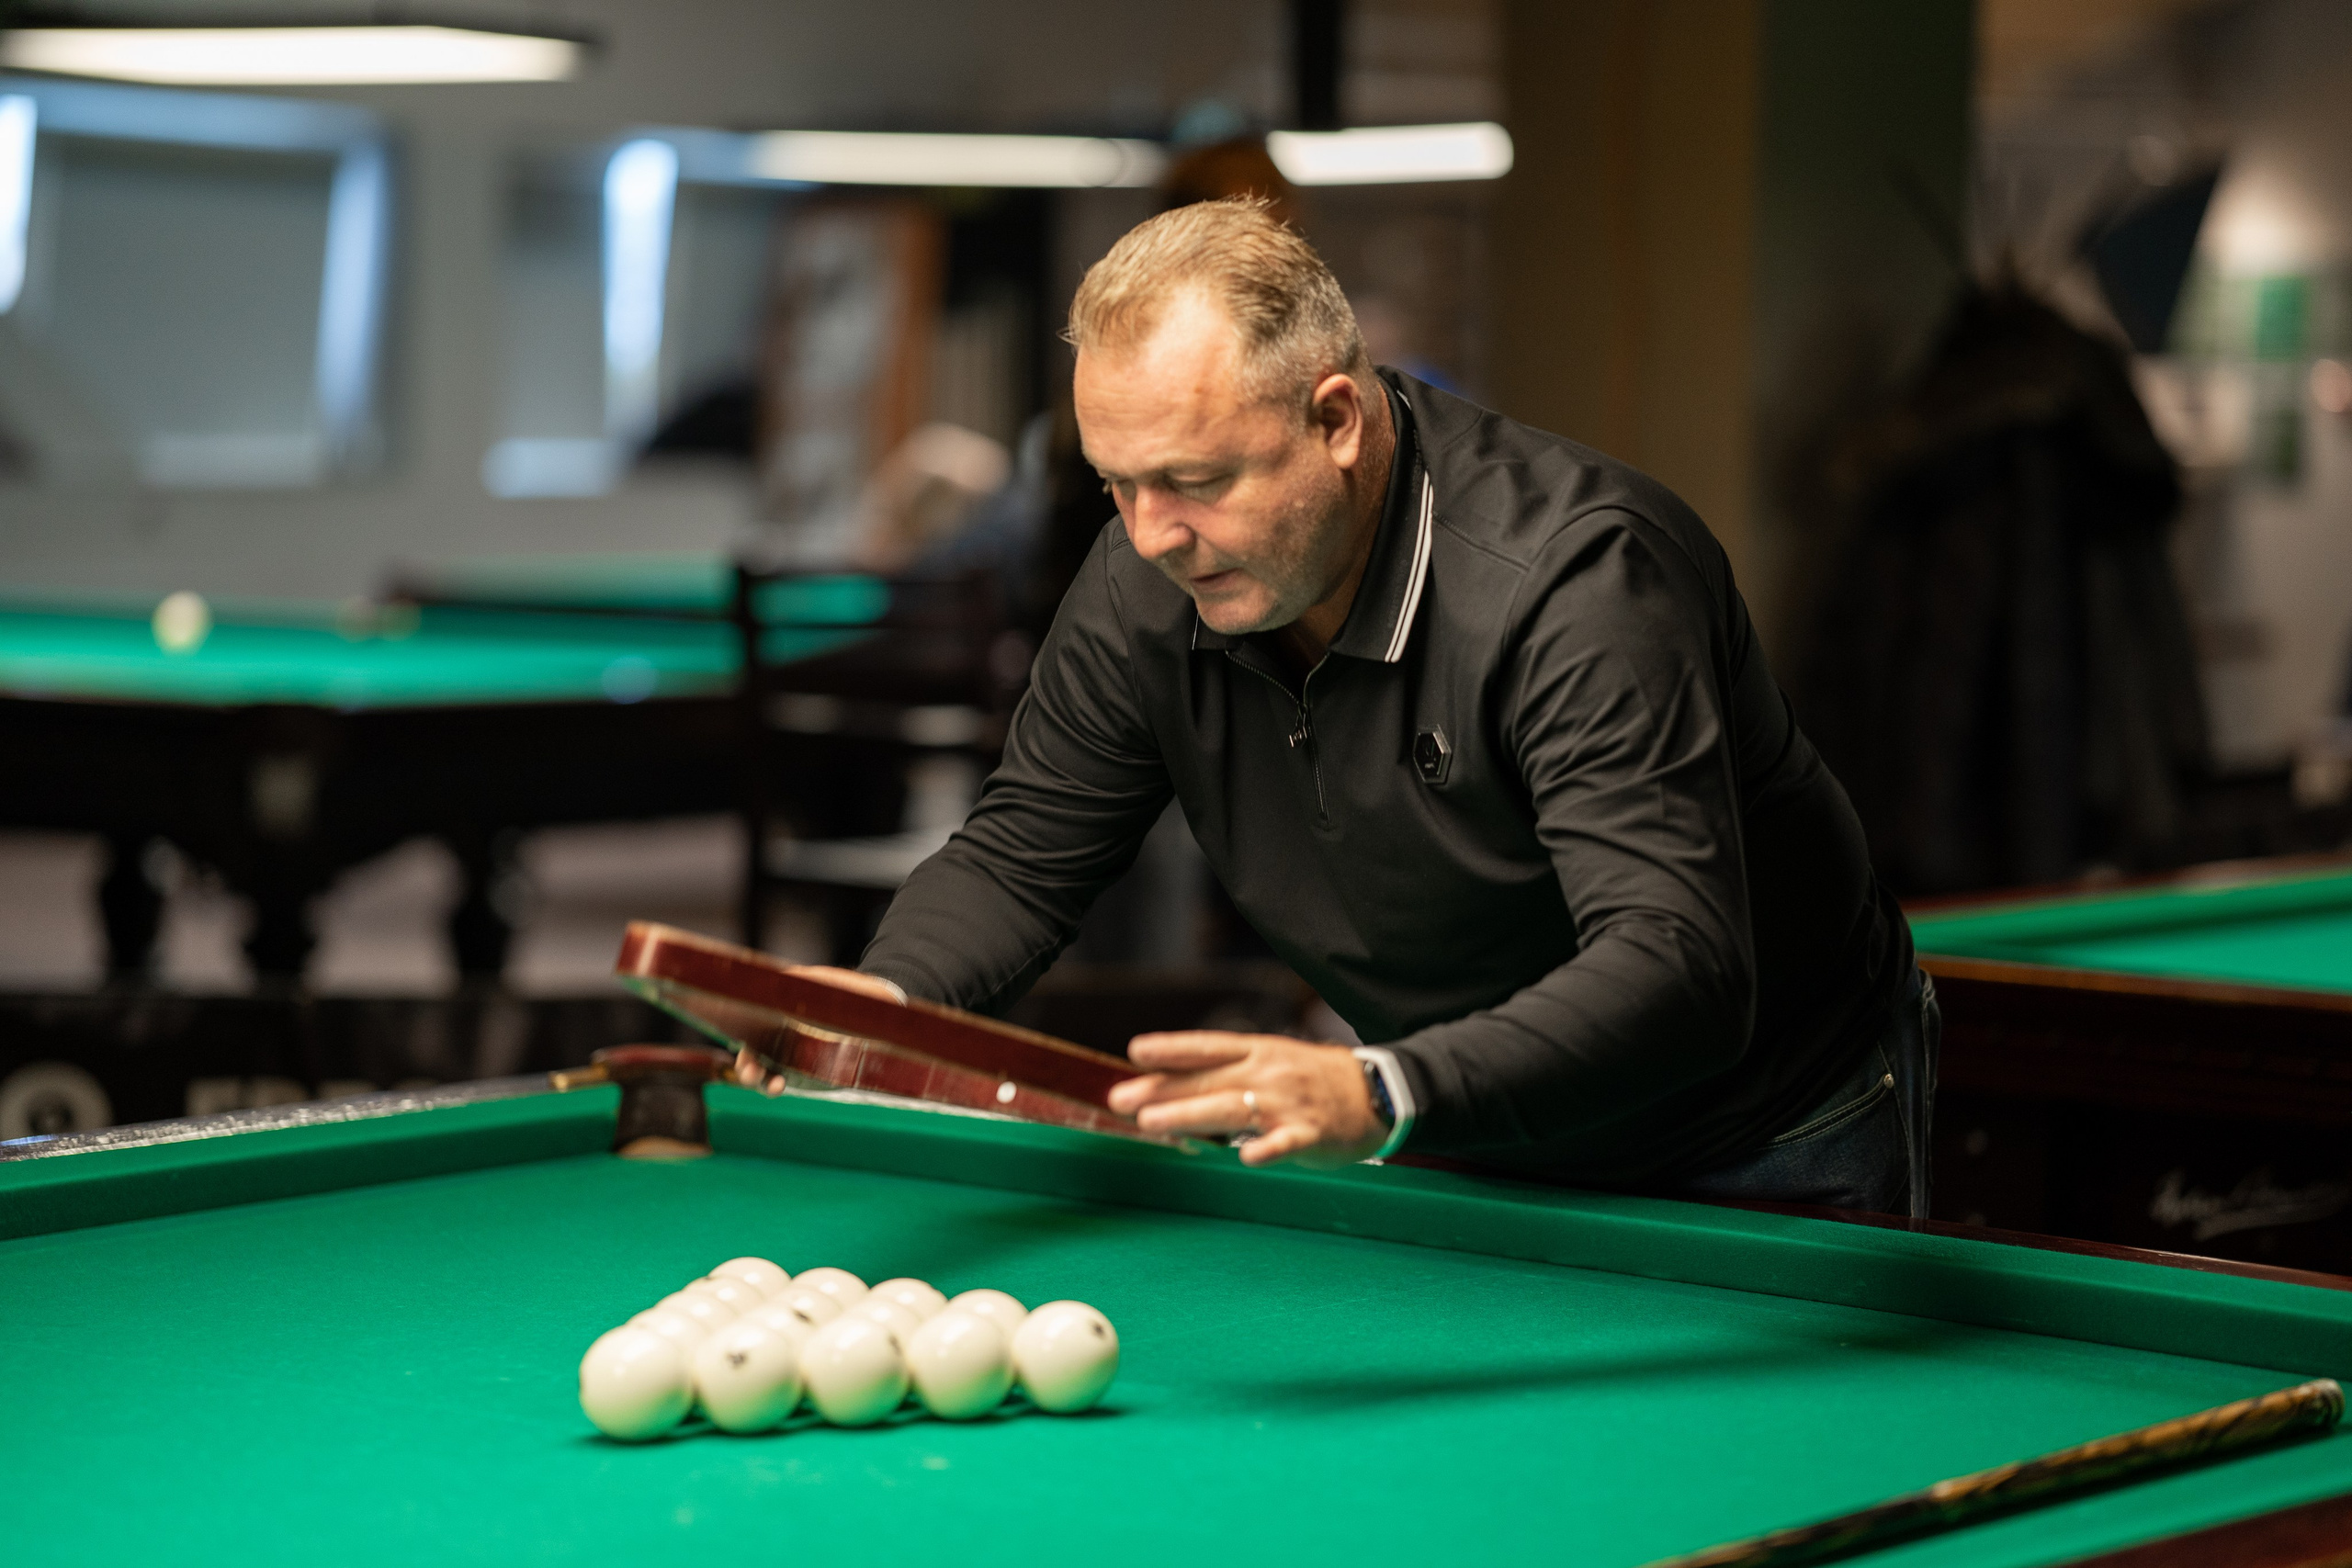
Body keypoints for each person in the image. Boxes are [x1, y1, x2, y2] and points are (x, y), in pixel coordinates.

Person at [747, 197, 1937, 1217]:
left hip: (1760, 1131)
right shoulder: (1147, 576)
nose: (1153, 536)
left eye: (1196, 482)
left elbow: (1678, 968)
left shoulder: (1578, 585)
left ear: (1336, 422)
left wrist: (1380, 1090)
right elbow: (1018, 858)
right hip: (1464, 1115)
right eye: (1120, 486)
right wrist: (881, 1009)